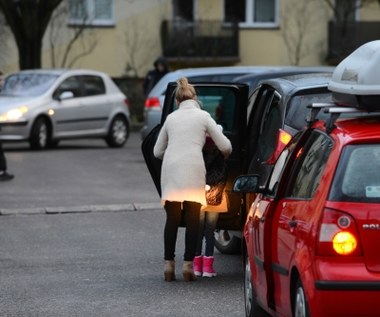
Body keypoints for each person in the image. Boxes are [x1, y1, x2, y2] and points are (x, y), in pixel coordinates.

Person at [153, 77, 232, 282]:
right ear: (195, 99)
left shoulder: (171, 118)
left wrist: (174, 154)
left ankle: (168, 266)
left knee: (171, 219)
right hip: (194, 169)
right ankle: (189, 266)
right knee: (192, 219)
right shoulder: (204, 116)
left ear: (178, 101)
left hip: (171, 170)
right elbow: (226, 146)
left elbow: (156, 151)